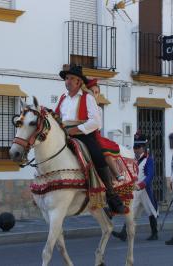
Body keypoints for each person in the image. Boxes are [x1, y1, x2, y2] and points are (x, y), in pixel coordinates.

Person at [55, 65, 125, 214]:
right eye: (66, 78)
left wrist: (75, 130)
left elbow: (96, 122)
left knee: (97, 156)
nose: (67, 81)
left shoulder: (88, 98)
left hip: (84, 134)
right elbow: (57, 117)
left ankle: (112, 196)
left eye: (71, 79)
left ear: (79, 82)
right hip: (64, 133)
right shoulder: (63, 98)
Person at [112, 132, 159, 241]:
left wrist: (142, 185)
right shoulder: (134, 160)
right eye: (134, 147)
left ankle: (155, 233)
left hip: (145, 190)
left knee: (151, 210)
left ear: (143, 147)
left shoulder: (149, 160)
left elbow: (150, 175)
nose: (135, 149)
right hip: (135, 191)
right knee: (131, 210)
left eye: (138, 147)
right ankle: (124, 234)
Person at [86, 79, 125, 182]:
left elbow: (98, 126)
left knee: (104, 151)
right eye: (92, 92)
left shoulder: (99, 109)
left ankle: (116, 174)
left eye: (96, 92)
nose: (94, 94)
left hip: (94, 134)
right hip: (81, 133)